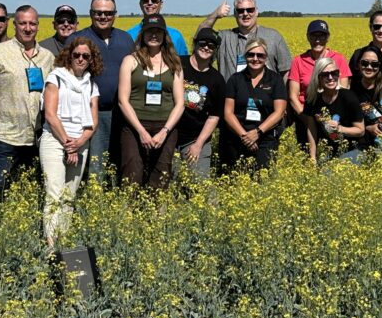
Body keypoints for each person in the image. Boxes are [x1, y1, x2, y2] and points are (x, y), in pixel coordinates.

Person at [0, 5, 54, 206]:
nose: (27, 28)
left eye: (32, 23)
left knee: (31, 190)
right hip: (4, 136)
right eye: (23, 23)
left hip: (36, 137)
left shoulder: (47, 57)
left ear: (38, 26)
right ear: (14, 25)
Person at [40, 37, 101, 248]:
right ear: (69, 55)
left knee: (69, 196)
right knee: (54, 193)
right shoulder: (56, 78)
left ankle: (63, 241)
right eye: (77, 55)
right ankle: (50, 246)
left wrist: (80, 142)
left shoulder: (91, 84)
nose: (81, 59)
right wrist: (68, 143)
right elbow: (50, 114)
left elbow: (93, 122)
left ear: (91, 59)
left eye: (86, 56)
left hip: (80, 142)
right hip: (55, 140)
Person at [117, 14, 185, 190]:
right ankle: (131, 214)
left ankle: (156, 216)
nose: (154, 35)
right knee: (132, 172)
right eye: (149, 31)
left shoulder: (174, 63)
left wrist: (164, 131)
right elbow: (123, 100)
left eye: (158, 31)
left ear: (164, 35)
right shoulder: (130, 61)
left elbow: (180, 103)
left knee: (161, 173)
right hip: (135, 126)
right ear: (142, 34)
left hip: (165, 126)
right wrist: (141, 131)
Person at [77, 0, 135, 181]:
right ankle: (97, 202)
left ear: (115, 15)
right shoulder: (78, 39)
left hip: (123, 113)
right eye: (98, 13)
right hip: (92, 114)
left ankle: (117, 201)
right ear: (90, 14)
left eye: (108, 13)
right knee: (96, 165)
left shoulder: (125, 39)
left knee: (121, 162)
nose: (103, 17)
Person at [221, 38, 288, 172]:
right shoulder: (235, 79)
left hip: (265, 139)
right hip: (237, 138)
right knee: (235, 181)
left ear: (266, 57)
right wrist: (245, 136)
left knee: (262, 182)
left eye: (260, 55)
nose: (255, 59)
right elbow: (228, 112)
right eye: (251, 55)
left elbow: (279, 112)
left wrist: (257, 133)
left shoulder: (275, 80)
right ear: (245, 56)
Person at [287, 20, 351, 147]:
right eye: (313, 36)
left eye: (322, 36)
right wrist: (308, 119)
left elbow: (343, 91)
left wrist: (329, 122)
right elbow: (293, 96)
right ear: (308, 37)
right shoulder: (298, 61)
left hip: (334, 120)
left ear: (327, 37)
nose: (317, 40)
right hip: (305, 118)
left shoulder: (338, 59)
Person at [198, 0, 292, 75]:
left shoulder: (273, 36)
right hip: (231, 94)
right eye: (240, 10)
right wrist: (215, 15)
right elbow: (199, 36)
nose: (245, 14)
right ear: (235, 13)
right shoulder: (224, 37)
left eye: (250, 10)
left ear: (256, 12)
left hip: (266, 94)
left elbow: (286, 71)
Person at [176, 28, 226, 179]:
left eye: (212, 46)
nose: (206, 47)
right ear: (195, 43)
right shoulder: (178, 63)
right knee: (168, 183)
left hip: (195, 138)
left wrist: (198, 145)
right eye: (203, 43)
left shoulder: (217, 80)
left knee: (200, 184)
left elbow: (214, 116)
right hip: (169, 135)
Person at [301, 58, 364, 163]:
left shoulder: (348, 97)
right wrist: (312, 157)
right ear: (318, 77)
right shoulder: (312, 99)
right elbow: (312, 130)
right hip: (327, 150)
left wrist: (339, 129)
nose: (330, 78)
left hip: (353, 149)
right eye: (325, 75)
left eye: (334, 73)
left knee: (331, 174)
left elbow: (361, 130)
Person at [125, 0, 189, 55]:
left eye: (154, 0)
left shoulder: (176, 36)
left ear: (161, 4)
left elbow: (183, 63)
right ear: (140, 4)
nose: (150, 3)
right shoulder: (129, 36)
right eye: (145, 0)